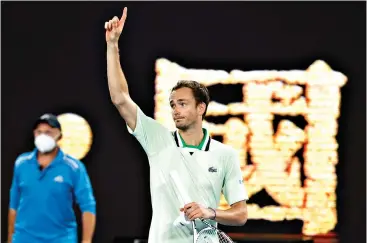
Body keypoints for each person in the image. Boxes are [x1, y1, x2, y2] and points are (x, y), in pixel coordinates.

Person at [105, 7, 248, 243]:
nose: (175, 110)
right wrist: (112, 46)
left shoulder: (225, 155)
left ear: (201, 108)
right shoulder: (157, 139)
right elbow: (120, 98)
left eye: (182, 103)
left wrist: (209, 212)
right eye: (172, 104)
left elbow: (241, 214)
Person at [7, 114, 96, 243]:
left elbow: (88, 206)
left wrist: (86, 241)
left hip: (61, 238)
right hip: (24, 238)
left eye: (48, 132)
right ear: (34, 134)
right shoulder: (21, 163)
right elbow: (14, 204)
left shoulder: (74, 167)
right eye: (39, 132)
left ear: (59, 135)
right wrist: (10, 238)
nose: (43, 136)